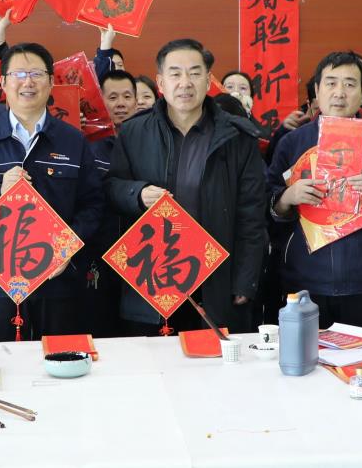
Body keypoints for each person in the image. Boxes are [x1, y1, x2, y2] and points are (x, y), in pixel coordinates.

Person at [106, 39, 270, 334]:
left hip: (215, 278)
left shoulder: (237, 137)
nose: (185, 83)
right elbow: (111, 189)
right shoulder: (133, 132)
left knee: (213, 358)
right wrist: (137, 193)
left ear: (208, 81)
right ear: (160, 82)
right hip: (154, 275)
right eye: (175, 74)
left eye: (195, 73)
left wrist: (245, 280)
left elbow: (251, 215)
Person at [0, 41, 107, 339]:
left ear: (51, 83)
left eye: (37, 74)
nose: (27, 82)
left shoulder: (73, 140)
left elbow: (93, 205)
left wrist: (67, 247)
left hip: (57, 278)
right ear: (3, 83)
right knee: (1, 359)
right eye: (18, 74)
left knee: (58, 357)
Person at [267, 51, 362, 328]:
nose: (339, 93)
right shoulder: (292, 142)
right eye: (331, 83)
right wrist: (287, 197)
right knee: (306, 353)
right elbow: (267, 201)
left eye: (349, 84)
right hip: (305, 278)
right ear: (317, 90)